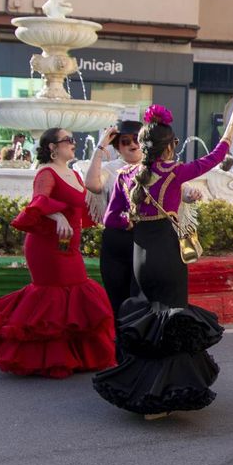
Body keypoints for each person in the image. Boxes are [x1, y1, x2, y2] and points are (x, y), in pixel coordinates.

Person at [92, 104, 233, 418]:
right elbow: (214, 157)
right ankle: (160, 397)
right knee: (170, 322)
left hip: (140, 255)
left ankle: (143, 388)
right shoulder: (174, 171)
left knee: (150, 320)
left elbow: (112, 218)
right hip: (168, 253)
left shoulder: (126, 175)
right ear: (170, 145)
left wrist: (137, 216)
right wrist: (232, 127)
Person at [0, 127, 115, 378]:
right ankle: (47, 359)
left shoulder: (73, 172)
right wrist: (57, 214)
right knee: (52, 295)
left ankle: (75, 356)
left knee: (75, 291)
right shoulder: (45, 172)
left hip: (69, 245)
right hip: (46, 246)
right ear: (52, 148)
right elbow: (38, 199)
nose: (73, 143)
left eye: (73, 139)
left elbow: (84, 199)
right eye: (67, 140)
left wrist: (101, 147)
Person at [84, 120, 145, 345]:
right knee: (117, 299)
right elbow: (92, 185)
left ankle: (138, 349)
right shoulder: (111, 168)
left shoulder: (154, 167)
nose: (132, 145)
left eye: (137, 140)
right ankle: (120, 351)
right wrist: (101, 147)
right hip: (116, 241)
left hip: (145, 241)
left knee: (140, 299)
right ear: (118, 147)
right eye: (125, 142)